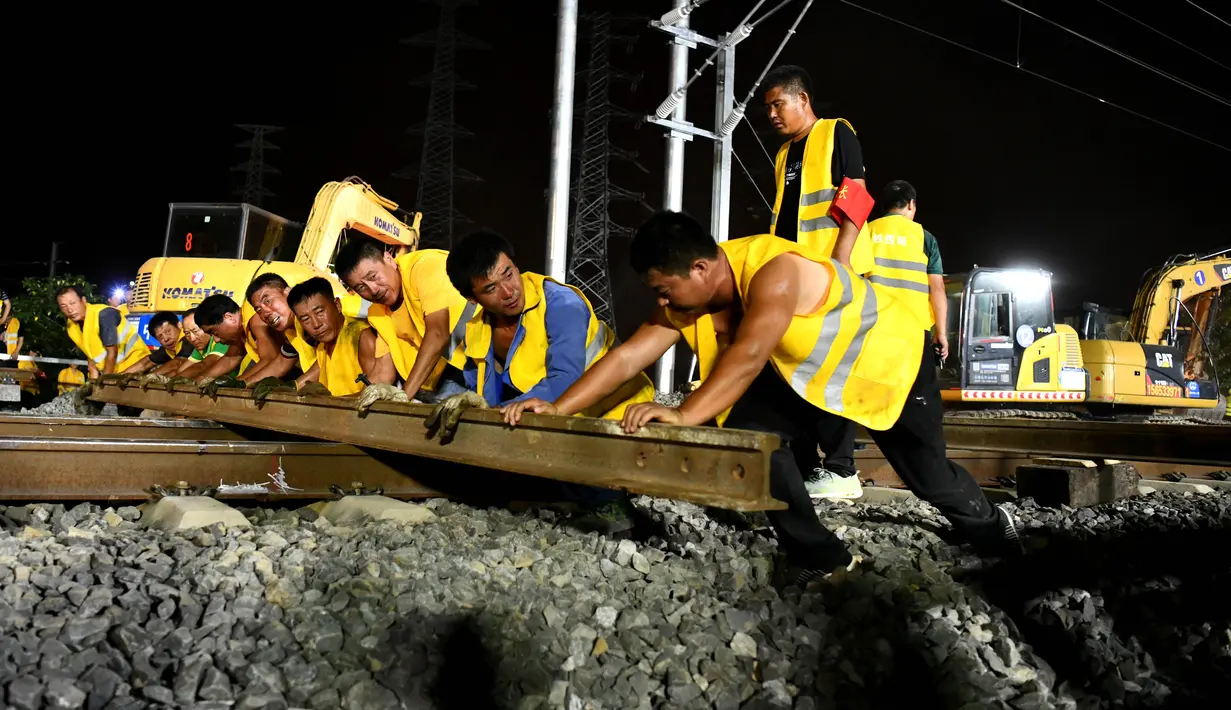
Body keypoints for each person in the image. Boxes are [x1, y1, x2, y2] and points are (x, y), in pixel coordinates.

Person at [503, 212, 1020, 586]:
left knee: (928, 478)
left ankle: (997, 535)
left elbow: (749, 355)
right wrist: (557, 407)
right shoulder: (694, 296)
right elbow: (625, 358)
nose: (661, 303)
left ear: (701, 270)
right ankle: (821, 555)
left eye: (665, 290)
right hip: (817, 377)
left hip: (892, 366)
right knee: (753, 437)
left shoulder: (775, 270)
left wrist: (684, 414)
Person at [441, 229, 657, 532]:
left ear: (516, 265)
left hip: (615, 410)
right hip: (556, 406)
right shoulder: (477, 326)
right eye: (491, 288)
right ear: (472, 298)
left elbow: (565, 379)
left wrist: (496, 414)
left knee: (546, 430)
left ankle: (610, 507)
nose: (509, 291)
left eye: (509, 273)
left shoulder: (560, 303)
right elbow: (482, 385)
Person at [763, 64, 877, 500]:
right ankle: (810, 468)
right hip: (796, 277)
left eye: (779, 104)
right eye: (768, 107)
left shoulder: (835, 132)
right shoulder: (781, 155)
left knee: (829, 369)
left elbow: (858, 193)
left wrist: (841, 260)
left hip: (831, 272)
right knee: (795, 369)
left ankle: (842, 471)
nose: (772, 114)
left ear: (803, 100)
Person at [334, 237, 474, 404]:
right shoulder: (377, 312)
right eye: (360, 287)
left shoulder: (426, 267)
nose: (373, 290)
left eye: (373, 276)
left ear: (389, 259)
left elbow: (437, 334)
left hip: (487, 365)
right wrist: (345, 403)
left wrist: (403, 397)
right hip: (445, 378)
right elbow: (383, 372)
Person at [867, 180, 949, 361]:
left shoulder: (866, 231)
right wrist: (941, 333)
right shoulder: (924, 238)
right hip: (915, 330)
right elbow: (937, 288)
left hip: (874, 329)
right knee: (920, 388)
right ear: (911, 204)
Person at [287, 277, 393, 396]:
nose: (316, 324)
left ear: (337, 305)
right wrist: (285, 388)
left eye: (320, 312)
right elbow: (312, 375)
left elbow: (376, 392)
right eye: (306, 319)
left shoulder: (361, 336)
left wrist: (327, 403)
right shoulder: (323, 346)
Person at [55, 286, 150, 377]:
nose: (70, 309)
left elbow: (112, 352)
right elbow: (91, 354)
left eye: (73, 303)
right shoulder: (71, 326)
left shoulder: (103, 314)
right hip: (115, 373)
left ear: (83, 300)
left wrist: (105, 383)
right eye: (63, 306)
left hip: (137, 367)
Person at [241, 274, 319, 382]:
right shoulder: (292, 332)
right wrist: (243, 384)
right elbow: (281, 363)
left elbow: (326, 361)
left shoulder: (315, 321)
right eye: (259, 310)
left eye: (267, 301)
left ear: (288, 292)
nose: (265, 313)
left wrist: (296, 386)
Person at [190, 295, 252, 381]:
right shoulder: (241, 332)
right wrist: (200, 379)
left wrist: (239, 384)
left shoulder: (254, 319)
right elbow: (231, 358)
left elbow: (272, 360)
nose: (216, 340)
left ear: (229, 317)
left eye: (214, 332)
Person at [124, 311, 196, 376]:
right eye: (160, 336)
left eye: (168, 331)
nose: (166, 339)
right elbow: (147, 362)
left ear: (179, 325)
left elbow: (178, 363)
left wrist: (148, 377)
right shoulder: (169, 348)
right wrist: (119, 376)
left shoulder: (189, 339)